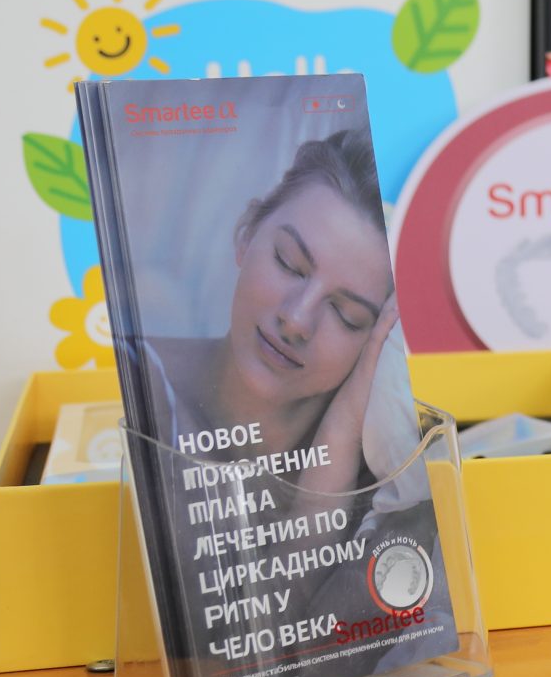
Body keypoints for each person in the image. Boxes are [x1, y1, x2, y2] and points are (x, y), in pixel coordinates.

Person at [140, 130, 416, 509]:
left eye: (346, 316)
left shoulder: (384, 463)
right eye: (289, 264)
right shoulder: (142, 385)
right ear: (247, 232)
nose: (297, 320)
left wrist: (343, 426)